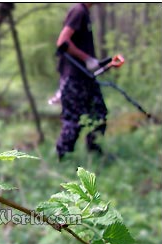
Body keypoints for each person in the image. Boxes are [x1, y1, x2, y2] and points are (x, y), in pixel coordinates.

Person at [55, 3, 108, 160]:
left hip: (85, 76)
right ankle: (62, 158)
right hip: (73, 77)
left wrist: (96, 63)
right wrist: (86, 59)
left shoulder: (85, 12)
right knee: (73, 120)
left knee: (99, 114)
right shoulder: (78, 10)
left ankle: (95, 152)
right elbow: (62, 42)